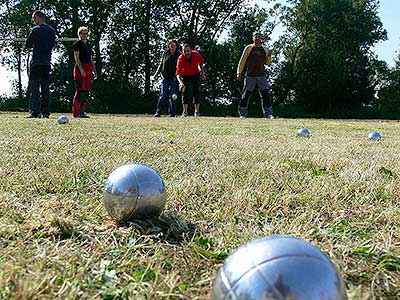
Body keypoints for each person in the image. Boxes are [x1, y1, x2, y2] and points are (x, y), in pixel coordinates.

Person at [25, 10, 56, 118]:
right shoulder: (52, 31)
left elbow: (28, 44)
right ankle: (46, 112)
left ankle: (35, 111)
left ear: (38, 18)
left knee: (35, 87)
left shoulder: (35, 29)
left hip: (36, 61)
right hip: (47, 62)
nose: (33, 21)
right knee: (45, 87)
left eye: (34, 19)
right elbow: (53, 45)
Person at [237, 32, 274, 119]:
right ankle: (243, 114)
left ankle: (268, 114)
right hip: (250, 75)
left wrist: (269, 55)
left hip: (262, 75)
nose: (257, 38)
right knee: (246, 94)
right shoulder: (248, 48)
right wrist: (239, 72)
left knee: (265, 94)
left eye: (259, 37)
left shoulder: (265, 49)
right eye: (255, 37)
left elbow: (268, 63)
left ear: (262, 39)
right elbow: (242, 61)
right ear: (253, 38)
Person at [72, 26, 97, 118]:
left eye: (86, 33)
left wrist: (94, 70)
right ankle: (76, 113)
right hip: (80, 68)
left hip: (88, 69)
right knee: (80, 91)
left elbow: (91, 59)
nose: (84, 35)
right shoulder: (77, 44)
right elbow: (77, 58)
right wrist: (81, 69)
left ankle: (82, 112)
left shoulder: (89, 46)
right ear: (79, 34)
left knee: (86, 92)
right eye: (82, 33)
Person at [152, 39, 180, 117]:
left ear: (176, 46)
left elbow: (180, 67)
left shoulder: (179, 55)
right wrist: (156, 74)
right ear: (168, 46)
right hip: (165, 78)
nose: (172, 46)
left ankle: (172, 113)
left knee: (173, 96)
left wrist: (177, 75)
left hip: (174, 78)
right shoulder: (165, 53)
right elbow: (161, 65)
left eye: (174, 45)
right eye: (170, 45)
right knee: (163, 94)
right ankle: (158, 112)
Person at [176, 44, 205, 117]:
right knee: (185, 92)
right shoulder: (180, 58)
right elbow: (178, 73)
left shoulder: (196, 54)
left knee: (196, 91)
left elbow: (201, 63)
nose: (186, 53)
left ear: (191, 51)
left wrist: (202, 73)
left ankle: (197, 112)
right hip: (185, 75)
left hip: (195, 74)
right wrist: (181, 83)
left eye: (188, 51)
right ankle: (185, 112)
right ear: (182, 51)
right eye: (184, 51)